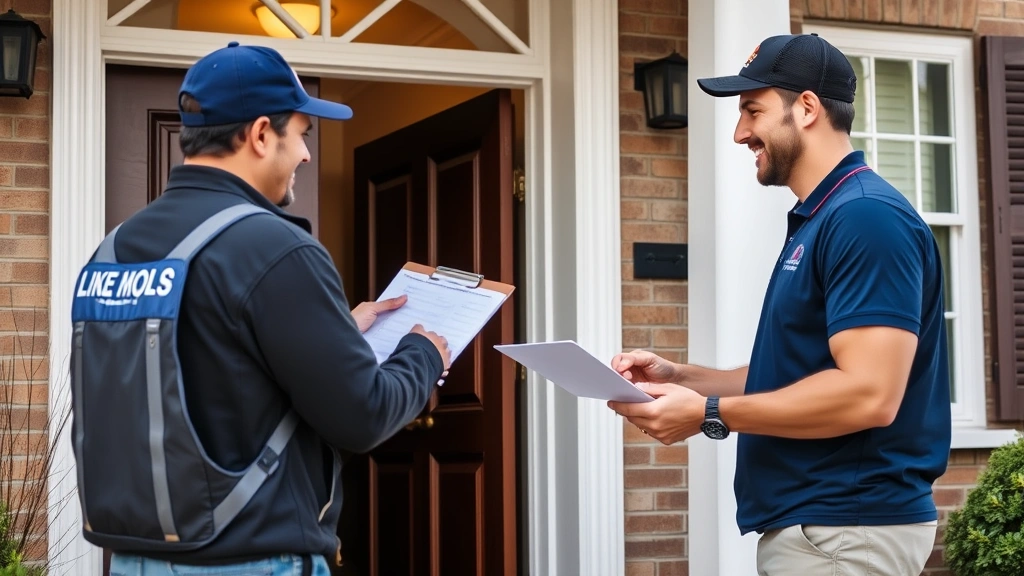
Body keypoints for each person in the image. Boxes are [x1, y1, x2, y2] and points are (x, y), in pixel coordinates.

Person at [80, 42, 451, 575]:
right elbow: (362, 416)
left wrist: (335, 333)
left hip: (135, 561)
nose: (304, 153)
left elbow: (209, 369)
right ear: (259, 134)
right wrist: (423, 354)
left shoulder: (113, 250)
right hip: (252, 561)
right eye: (300, 133)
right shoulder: (275, 249)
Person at [608, 33, 950, 575]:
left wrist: (709, 416)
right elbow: (798, 373)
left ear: (807, 107)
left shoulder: (866, 219)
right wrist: (685, 376)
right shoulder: (827, 217)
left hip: (845, 531)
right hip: (826, 532)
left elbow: (868, 394)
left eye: (752, 109)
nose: (741, 132)